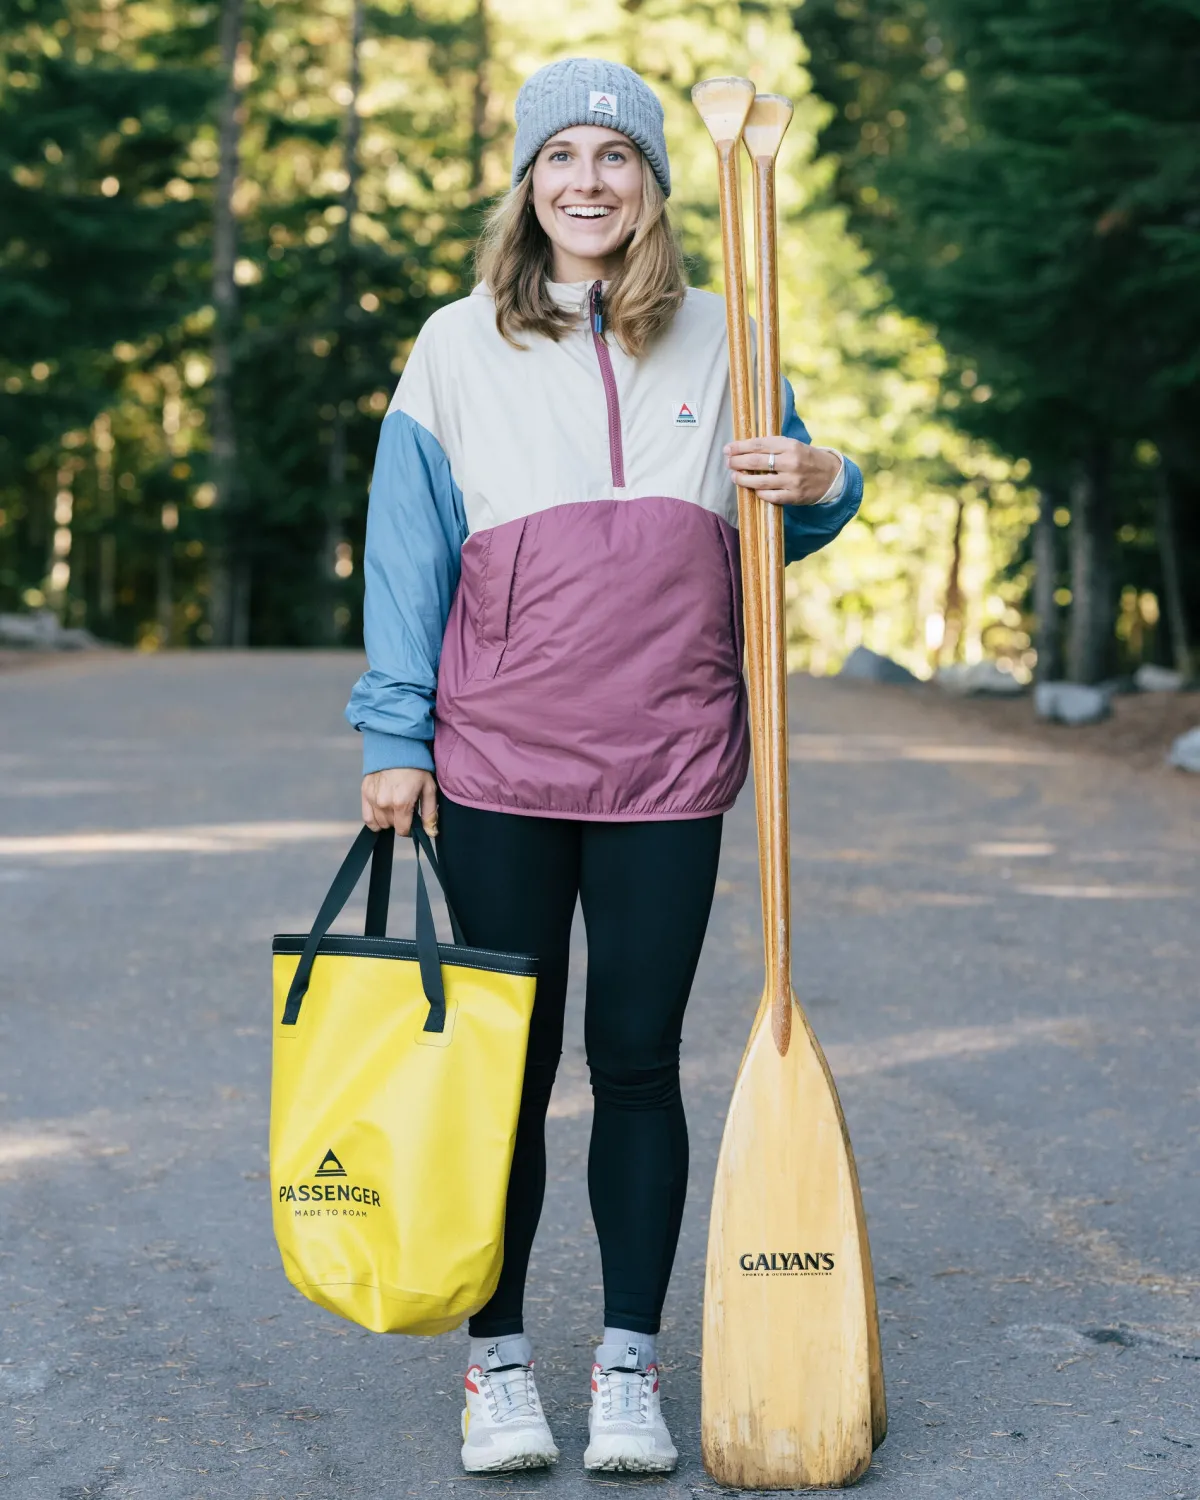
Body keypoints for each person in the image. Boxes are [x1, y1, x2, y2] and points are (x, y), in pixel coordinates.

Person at [345, 57, 862, 1476]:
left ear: (653, 183)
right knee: (500, 1079)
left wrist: (832, 485)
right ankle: (495, 1362)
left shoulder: (727, 334)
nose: (588, 179)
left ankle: (628, 1360)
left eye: (615, 156)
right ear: (527, 181)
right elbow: (408, 557)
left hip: (672, 759)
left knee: (637, 1064)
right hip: (499, 760)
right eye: (561, 155)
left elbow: (782, 506)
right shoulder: (455, 344)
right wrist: (395, 737)